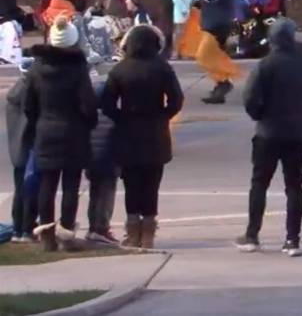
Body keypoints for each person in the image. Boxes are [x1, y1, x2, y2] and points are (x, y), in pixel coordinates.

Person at [236, 19, 302, 256]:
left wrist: (260, 115)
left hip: (268, 132)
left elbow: (250, 98)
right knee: (294, 185)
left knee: (259, 183)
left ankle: (252, 235)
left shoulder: (265, 65)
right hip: (298, 132)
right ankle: (292, 239)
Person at [101, 25, 183, 249]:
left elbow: (106, 102)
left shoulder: (120, 70)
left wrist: (120, 117)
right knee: (151, 184)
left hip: (128, 131)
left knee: (132, 184)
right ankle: (148, 232)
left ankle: (132, 230)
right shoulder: (162, 68)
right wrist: (163, 116)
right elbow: (176, 99)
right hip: (155, 132)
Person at [25, 17, 98, 251]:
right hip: (74, 131)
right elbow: (87, 103)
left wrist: (38, 122)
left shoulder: (36, 68)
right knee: (70, 185)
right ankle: (66, 235)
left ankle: (46, 236)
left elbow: (29, 104)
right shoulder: (77, 69)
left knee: (47, 183)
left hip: (45, 130)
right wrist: (90, 122)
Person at [196, 0, 241, 104]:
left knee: (205, 55)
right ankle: (220, 86)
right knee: (212, 57)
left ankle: (224, 82)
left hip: (218, 26)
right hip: (212, 25)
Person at [85, 81, 119, 245]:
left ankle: (93, 227)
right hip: (108, 161)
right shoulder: (112, 116)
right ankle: (101, 228)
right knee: (106, 196)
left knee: (94, 194)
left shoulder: (87, 116)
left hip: (91, 161)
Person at [6, 73, 36, 243]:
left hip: (17, 152)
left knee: (20, 189)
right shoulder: (27, 94)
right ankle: (26, 228)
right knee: (30, 189)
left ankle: (18, 227)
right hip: (29, 149)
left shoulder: (13, 99)